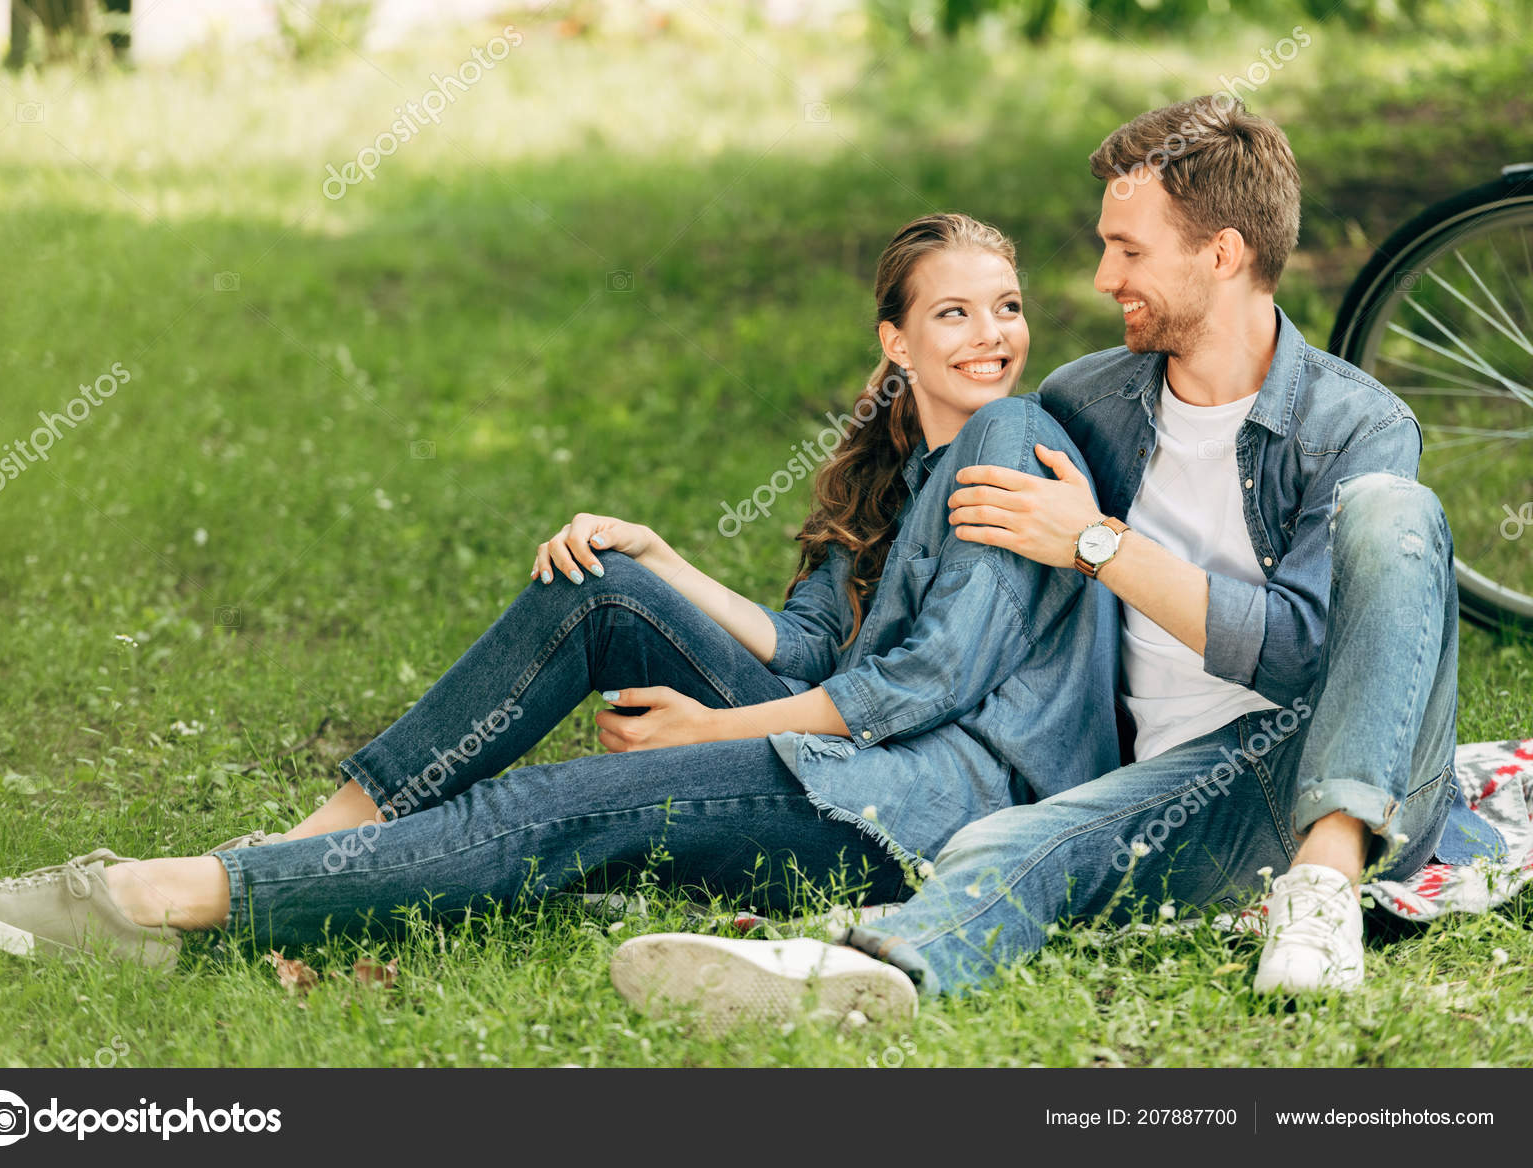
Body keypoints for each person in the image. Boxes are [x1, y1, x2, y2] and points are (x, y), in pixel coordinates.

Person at [0, 213, 1121, 1020]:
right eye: (954, 314)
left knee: (548, 810)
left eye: (1006, 307)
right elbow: (812, 647)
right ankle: (294, 854)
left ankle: (154, 899)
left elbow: (921, 686)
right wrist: (659, 560)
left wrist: (702, 736)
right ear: (895, 341)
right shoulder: (906, 465)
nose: (995, 336)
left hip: (912, 801)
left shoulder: (1011, 443)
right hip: (845, 752)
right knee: (597, 582)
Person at [612, 96, 1504, 1025]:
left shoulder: (1354, 424)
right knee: (1013, 843)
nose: (1101, 275)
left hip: (1359, 784)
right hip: (1182, 786)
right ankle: (867, 978)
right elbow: (961, 502)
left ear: (1223, 253)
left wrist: (1097, 543)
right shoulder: (1090, 399)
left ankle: (1321, 888)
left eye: (1128, 249)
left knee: (1394, 512)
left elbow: (1302, 656)